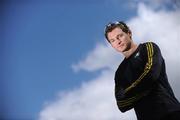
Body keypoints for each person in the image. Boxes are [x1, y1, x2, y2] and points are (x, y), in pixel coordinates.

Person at [104, 21, 180, 120]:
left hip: (170, 112)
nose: (118, 42)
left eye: (120, 36)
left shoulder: (148, 47)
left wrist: (129, 93)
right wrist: (145, 89)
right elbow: (122, 104)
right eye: (113, 40)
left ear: (129, 33)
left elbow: (151, 75)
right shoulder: (120, 73)